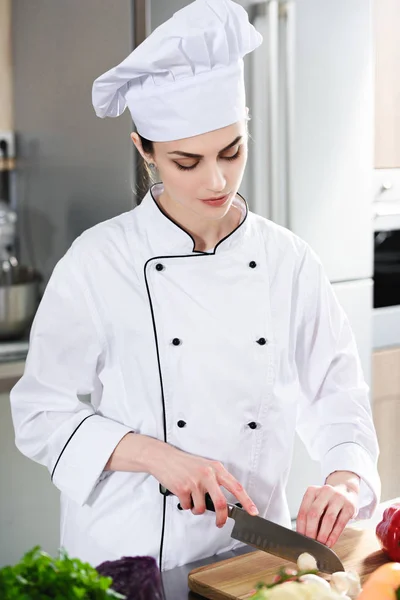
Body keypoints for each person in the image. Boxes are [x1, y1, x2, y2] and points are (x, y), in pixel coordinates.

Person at [10, 0, 380, 572]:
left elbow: (338, 397)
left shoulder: (287, 260)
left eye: (232, 151)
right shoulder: (100, 260)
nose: (216, 180)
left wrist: (345, 478)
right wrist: (157, 457)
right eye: (187, 161)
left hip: (252, 551)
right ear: (145, 152)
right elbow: (39, 413)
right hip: (128, 552)